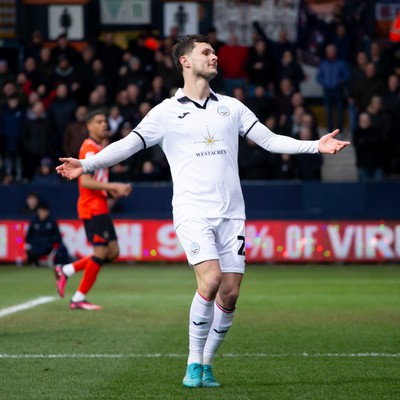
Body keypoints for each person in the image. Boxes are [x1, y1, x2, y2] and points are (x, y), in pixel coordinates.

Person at [56, 35, 350, 387]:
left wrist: (315, 145)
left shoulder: (232, 107)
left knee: (230, 292)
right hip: (193, 212)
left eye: (214, 52)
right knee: (210, 281)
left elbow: (270, 140)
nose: (214, 57)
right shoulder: (165, 112)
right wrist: (86, 165)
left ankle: (207, 363)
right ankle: (193, 363)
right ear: (185, 61)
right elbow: (128, 145)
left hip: (232, 215)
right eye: (206, 52)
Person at [54, 110, 132, 311]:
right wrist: (114, 187)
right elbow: (86, 181)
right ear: (89, 126)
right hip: (92, 207)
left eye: (105, 121)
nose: (104, 125)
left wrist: (110, 190)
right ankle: (78, 297)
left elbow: (96, 179)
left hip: (100, 206)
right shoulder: (89, 148)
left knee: (112, 252)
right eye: (98, 122)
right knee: (101, 251)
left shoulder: (99, 147)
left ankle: (67, 269)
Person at [25, 202, 70, 267]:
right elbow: (28, 237)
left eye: (45, 211)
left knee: (61, 249)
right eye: (41, 211)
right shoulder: (34, 222)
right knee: (30, 253)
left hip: (48, 246)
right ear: (38, 211)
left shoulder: (52, 222)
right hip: (36, 246)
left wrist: (51, 241)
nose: (43, 213)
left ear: (48, 212)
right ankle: (35, 263)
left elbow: (58, 236)